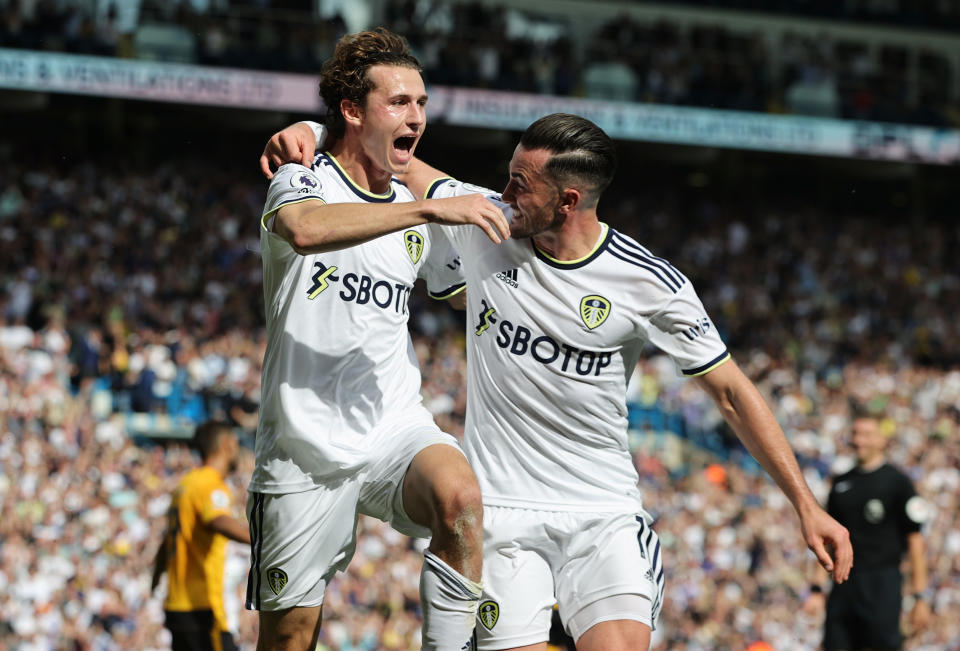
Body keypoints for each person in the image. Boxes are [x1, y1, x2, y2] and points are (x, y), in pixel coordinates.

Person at [262, 112, 852, 650]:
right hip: (503, 517)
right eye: (509, 174)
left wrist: (806, 505)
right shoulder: (483, 224)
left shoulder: (648, 283)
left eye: (522, 183)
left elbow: (730, 393)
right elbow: (395, 158)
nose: (504, 191)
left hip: (603, 513)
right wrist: (312, 133)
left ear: (567, 201)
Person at [249, 28, 509, 651]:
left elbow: (472, 283)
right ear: (351, 110)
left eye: (420, 103)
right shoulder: (302, 174)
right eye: (399, 103)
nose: (416, 116)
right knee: (289, 640)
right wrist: (424, 209)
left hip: (393, 425)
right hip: (302, 444)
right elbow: (306, 230)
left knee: (461, 498)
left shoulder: (411, 204)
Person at [805, 412, 931, 650]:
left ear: (882, 439)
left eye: (867, 434)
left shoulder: (898, 483)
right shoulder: (840, 484)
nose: (859, 440)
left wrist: (920, 597)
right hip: (844, 584)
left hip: (883, 584)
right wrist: (817, 588)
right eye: (855, 433)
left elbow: (916, 542)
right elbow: (829, 541)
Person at [152, 421, 252, 651]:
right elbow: (217, 520)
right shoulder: (210, 485)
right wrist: (264, 542)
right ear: (226, 445)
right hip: (201, 606)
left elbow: (167, 541)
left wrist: (157, 577)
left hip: (177, 604)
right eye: (236, 444)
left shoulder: (185, 485)